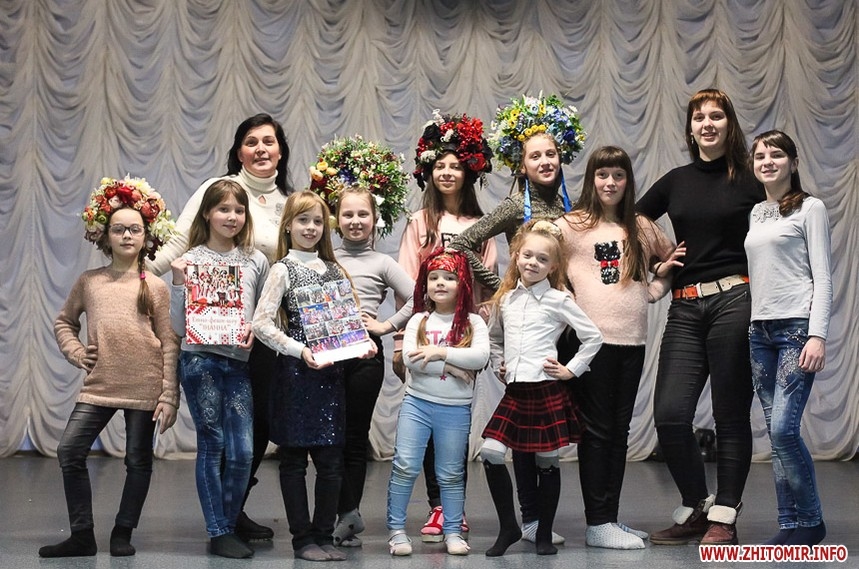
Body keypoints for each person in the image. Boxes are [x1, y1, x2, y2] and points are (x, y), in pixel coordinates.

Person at [449, 93, 585, 544]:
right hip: (527, 323)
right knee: (524, 429)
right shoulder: (512, 207)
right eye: (535, 156)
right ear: (522, 166)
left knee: (550, 433)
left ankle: (550, 520)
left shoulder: (573, 209)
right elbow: (463, 243)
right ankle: (529, 519)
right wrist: (502, 287)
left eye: (551, 154)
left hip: (564, 323)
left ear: (561, 158)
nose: (545, 162)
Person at [150, 113, 293, 541]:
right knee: (218, 437)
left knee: (258, 427)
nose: (261, 149)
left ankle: (234, 509)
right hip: (209, 341)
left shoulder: (289, 201)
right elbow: (179, 243)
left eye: (269, 141)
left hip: (264, 332)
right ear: (239, 151)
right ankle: (224, 523)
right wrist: (139, 277)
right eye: (251, 141)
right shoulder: (218, 188)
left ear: (280, 150)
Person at [636, 89, 766, 546]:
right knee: (670, 415)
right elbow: (632, 221)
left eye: (716, 116)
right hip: (686, 304)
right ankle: (697, 507)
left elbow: (786, 225)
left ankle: (725, 516)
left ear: (730, 125)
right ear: (690, 129)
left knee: (730, 416)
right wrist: (659, 262)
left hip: (737, 299)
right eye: (699, 118)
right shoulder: (677, 180)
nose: (707, 124)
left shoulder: (751, 178)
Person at [41, 176, 179, 558]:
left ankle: (123, 531)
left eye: (135, 229)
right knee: (70, 451)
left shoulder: (155, 286)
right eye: (119, 229)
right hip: (100, 384)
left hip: (146, 388)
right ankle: (82, 535)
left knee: (138, 461)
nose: (127, 235)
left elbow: (170, 341)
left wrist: (169, 394)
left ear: (147, 236)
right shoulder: (90, 282)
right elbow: (64, 322)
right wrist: (75, 352)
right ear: (105, 235)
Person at [557, 146, 683, 549]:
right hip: (591, 343)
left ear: (628, 180)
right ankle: (597, 522)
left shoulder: (641, 226)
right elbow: (547, 270)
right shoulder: (570, 225)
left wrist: (655, 287)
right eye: (602, 175)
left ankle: (609, 518)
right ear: (591, 179)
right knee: (596, 432)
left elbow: (672, 261)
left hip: (632, 342)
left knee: (618, 431)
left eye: (618, 175)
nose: (610, 183)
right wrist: (569, 307)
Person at [252, 191, 376, 562]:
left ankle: (324, 535)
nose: (310, 228)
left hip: (331, 378)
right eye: (303, 220)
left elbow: (346, 324)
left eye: (318, 221)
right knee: (293, 460)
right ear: (287, 226)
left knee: (331, 462)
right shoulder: (283, 269)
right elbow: (261, 324)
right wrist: (299, 350)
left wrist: (363, 343)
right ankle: (302, 539)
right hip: (295, 375)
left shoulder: (335, 269)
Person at [398, 111, 496, 541]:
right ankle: (437, 505)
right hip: (424, 331)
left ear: (469, 171)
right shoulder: (420, 223)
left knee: (455, 422)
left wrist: (476, 332)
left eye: (455, 165)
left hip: (463, 335)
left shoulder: (482, 225)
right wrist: (403, 338)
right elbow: (407, 282)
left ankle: (455, 507)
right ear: (429, 171)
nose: (447, 172)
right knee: (424, 419)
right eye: (440, 165)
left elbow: (489, 285)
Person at [480, 220, 603, 557]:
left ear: (553, 266)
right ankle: (509, 526)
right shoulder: (506, 300)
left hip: (546, 390)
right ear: (516, 256)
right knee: (490, 452)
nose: (533, 263)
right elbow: (494, 338)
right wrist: (500, 363)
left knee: (547, 462)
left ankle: (545, 533)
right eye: (527, 255)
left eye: (542, 259)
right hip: (516, 393)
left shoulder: (558, 300)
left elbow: (593, 336)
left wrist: (570, 369)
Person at [169, 180, 270, 558]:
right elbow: (178, 326)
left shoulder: (255, 260)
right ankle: (219, 530)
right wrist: (178, 282)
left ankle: (227, 525)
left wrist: (256, 328)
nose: (232, 217)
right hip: (200, 361)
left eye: (239, 210)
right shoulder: (190, 260)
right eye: (223, 209)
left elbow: (264, 312)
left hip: (238, 362)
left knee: (243, 452)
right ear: (208, 214)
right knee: (213, 445)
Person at [745, 130, 832, 546]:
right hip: (759, 331)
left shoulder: (811, 208)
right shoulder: (757, 212)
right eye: (760, 156)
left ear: (793, 163)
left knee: (783, 430)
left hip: (796, 329)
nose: (767, 161)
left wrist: (818, 335)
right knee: (775, 433)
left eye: (776, 154)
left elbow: (823, 277)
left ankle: (811, 520)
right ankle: (790, 522)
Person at [326, 184, 415, 547]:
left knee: (354, 437)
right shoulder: (325, 258)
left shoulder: (382, 262)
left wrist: (386, 325)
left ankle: (348, 514)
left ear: (375, 219)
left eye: (363, 214)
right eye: (347, 214)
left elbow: (420, 296)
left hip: (365, 357)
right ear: (336, 219)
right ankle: (332, 514)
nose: (355, 221)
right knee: (328, 437)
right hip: (327, 356)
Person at [386, 249, 490, 557]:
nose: (440, 283)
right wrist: (452, 367)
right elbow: (410, 359)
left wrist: (439, 352)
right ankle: (396, 531)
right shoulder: (419, 320)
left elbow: (480, 357)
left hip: (455, 409)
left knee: (451, 473)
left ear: (462, 284)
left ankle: (453, 531)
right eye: (433, 278)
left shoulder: (473, 322)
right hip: (417, 405)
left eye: (448, 278)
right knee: (405, 466)